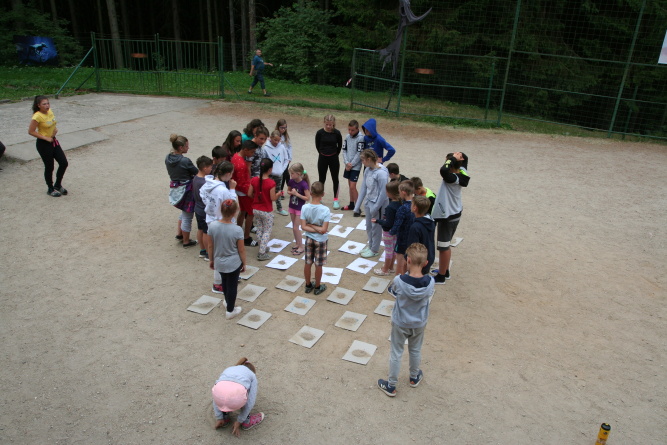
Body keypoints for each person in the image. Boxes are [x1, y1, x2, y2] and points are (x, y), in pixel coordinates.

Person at [377, 243, 434, 397]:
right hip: (419, 322)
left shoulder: (399, 280)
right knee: (415, 350)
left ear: (408, 260)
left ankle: (391, 385)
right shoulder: (430, 282)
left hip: (400, 322)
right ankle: (414, 377)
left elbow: (392, 292)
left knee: (396, 352)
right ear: (425, 263)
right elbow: (429, 295)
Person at [431, 152, 470, 284]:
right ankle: (445, 270)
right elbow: (465, 160)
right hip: (455, 213)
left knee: (443, 247)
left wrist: (452, 158)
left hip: (447, 216)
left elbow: (443, 170)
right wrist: (457, 157)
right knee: (445, 245)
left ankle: (442, 276)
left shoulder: (452, 178)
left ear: (451, 165)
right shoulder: (463, 173)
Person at [201, 161, 238, 294]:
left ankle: (227, 276)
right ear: (227, 174)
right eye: (231, 173)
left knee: (221, 251)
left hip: (211, 219)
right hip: (221, 223)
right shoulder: (223, 190)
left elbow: (202, 196)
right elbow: (232, 205)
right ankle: (218, 283)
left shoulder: (207, 184)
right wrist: (232, 189)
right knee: (223, 253)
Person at [209, 199, 246, 319]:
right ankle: (230, 310)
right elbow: (241, 249)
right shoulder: (237, 230)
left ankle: (227, 301)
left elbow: (210, 245)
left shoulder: (212, 226)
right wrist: (244, 263)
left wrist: (211, 259)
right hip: (233, 263)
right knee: (232, 286)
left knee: (224, 282)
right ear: (235, 212)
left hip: (219, 260)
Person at [211, 357, 264, 436]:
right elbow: (250, 402)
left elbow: (216, 395)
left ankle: (224, 417)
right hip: (237, 399)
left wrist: (219, 417)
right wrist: (239, 421)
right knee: (243, 394)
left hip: (219, 397)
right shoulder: (252, 375)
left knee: (223, 393)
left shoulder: (228, 369)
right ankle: (246, 421)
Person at [28, 95, 69, 197]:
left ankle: (57, 185)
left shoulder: (50, 111)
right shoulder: (37, 116)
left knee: (63, 163)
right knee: (49, 166)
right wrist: (45, 138)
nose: (47, 106)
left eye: (48, 103)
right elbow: (31, 131)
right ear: (38, 105)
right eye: (44, 104)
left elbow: (52, 123)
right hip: (43, 144)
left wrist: (54, 130)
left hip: (53, 141)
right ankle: (50, 188)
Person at [354, 149, 389, 258]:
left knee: (376, 228)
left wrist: (376, 207)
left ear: (369, 159)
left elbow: (383, 193)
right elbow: (364, 187)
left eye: (363, 160)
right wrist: (357, 206)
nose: (362, 162)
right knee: (369, 226)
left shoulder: (381, 173)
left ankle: (375, 249)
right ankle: (371, 245)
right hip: (369, 202)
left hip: (378, 204)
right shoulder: (367, 170)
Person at [165, 134, 198, 248]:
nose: (188, 148)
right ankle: (186, 241)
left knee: (184, 212)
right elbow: (196, 172)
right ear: (181, 147)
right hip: (187, 190)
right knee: (188, 215)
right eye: (186, 146)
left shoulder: (168, 158)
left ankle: (180, 234)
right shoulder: (185, 161)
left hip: (175, 187)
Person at [301, 181, 330, 296]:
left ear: (311, 193)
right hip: (321, 240)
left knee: (308, 262)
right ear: (323, 194)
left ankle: (308, 285)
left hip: (309, 238)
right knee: (319, 264)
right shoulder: (325, 210)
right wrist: (318, 229)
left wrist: (311, 225)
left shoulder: (304, 207)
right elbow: (323, 230)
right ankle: (317, 286)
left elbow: (304, 227)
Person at [250, 158, 283, 261]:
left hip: (256, 208)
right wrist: (278, 194)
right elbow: (272, 198)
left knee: (259, 229)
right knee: (267, 231)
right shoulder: (271, 183)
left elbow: (249, 193)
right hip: (266, 210)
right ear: (270, 169)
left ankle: (262, 247)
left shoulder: (254, 179)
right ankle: (261, 253)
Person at [372, 181, 401, 276]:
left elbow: (388, 223)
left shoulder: (390, 207)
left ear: (390, 193)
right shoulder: (400, 204)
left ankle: (385, 269)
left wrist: (378, 221)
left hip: (388, 232)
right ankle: (391, 267)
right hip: (396, 231)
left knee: (388, 250)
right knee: (394, 249)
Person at [232, 140, 258, 247]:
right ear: (246, 150)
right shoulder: (241, 164)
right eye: (252, 152)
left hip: (239, 190)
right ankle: (246, 237)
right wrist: (251, 193)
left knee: (242, 211)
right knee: (250, 214)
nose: (253, 154)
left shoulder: (235, 157)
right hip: (244, 192)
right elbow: (243, 183)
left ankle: (237, 232)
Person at [315, 114, 343, 209]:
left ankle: (336, 199)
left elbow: (339, 146)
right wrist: (323, 153)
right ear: (324, 123)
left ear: (333, 124)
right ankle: (319, 198)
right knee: (321, 179)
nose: (328, 126)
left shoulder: (337, 133)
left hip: (333, 158)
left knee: (335, 179)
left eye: (330, 125)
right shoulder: (320, 133)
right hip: (322, 158)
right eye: (327, 124)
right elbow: (317, 145)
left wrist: (334, 154)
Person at [261, 130, 289, 216]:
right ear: (271, 138)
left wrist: (282, 170)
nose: (276, 142)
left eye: (278, 140)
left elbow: (286, 159)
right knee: (267, 192)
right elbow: (264, 161)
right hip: (269, 174)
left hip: (279, 174)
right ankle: (267, 208)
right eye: (275, 140)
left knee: (278, 191)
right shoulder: (266, 148)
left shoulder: (282, 147)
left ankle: (279, 208)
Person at [406, 196, 436, 275]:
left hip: (417, 261)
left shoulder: (415, 227)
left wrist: (407, 257)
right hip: (429, 256)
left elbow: (413, 245)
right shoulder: (431, 221)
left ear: (415, 208)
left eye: (412, 204)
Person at [391, 180, 415, 275]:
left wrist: (391, 232)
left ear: (403, 192)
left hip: (402, 238)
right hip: (413, 236)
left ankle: (399, 279)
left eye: (399, 192)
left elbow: (398, 223)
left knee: (400, 261)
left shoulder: (403, 208)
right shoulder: (416, 203)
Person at [287, 163, 310, 255]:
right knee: (294, 227)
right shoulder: (291, 181)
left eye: (292, 173)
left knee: (296, 228)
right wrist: (291, 193)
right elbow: (288, 190)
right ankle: (297, 243)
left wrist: (297, 194)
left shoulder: (304, 184)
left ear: (299, 174)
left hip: (299, 208)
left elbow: (307, 198)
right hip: (292, 206)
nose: (291, 175)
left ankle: (301, 246)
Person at [193, 156, 214, 260]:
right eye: (210, 167)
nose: (211, 169)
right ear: (205, 168)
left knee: (200, 229)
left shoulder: (195, 178)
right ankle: (207, 253)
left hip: (197, 208)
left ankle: (202, 249)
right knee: (206, 232)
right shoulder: (204, 182)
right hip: (204, 209)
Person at [341, 119, 364, 211]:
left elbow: (359, 153)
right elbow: (344, 150)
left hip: (356, 166)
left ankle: (357, 207)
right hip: (348, 165)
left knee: (352, 186)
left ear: (357, 129)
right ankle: (351, 204)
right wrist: (346, 162)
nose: (350, 132)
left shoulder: (360, 138)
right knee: (349, 185)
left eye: (352, 130)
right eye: (349, 130)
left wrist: (352, 164)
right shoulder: (347, 137)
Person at [275, 119, 292, 197]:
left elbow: (289, 147)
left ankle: (286, 189)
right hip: (278, 158)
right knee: (282, 174)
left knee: (285, 174)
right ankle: (281, 189)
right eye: (282, 128)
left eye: (285, 128)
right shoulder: (275, 135)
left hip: (286, 158)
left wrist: (290, 157)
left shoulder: (286, 136)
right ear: (278, 127)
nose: (283, 129)